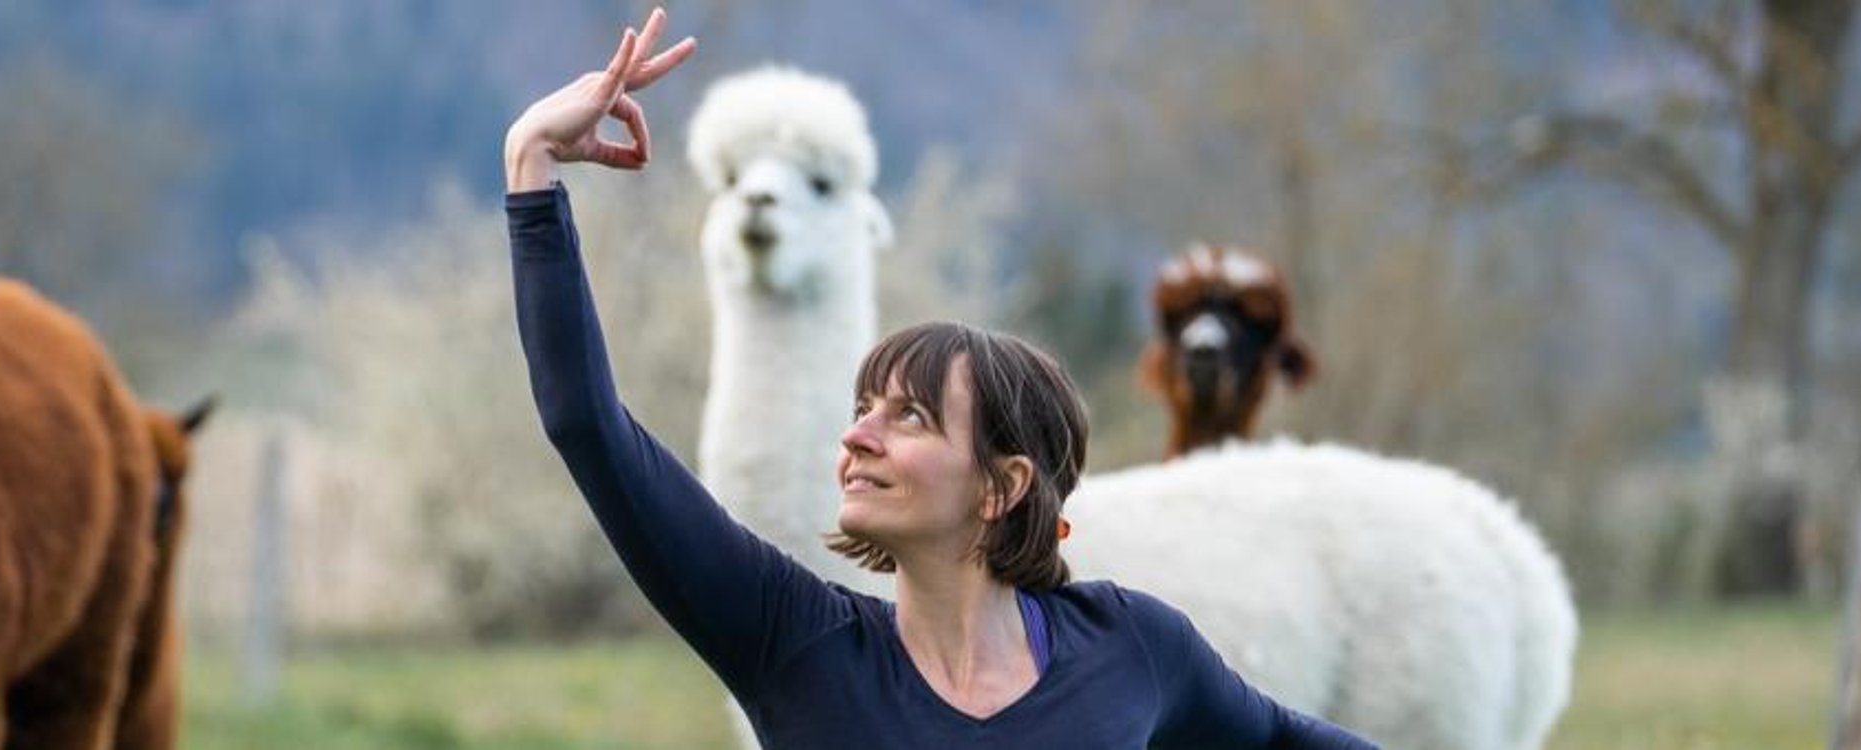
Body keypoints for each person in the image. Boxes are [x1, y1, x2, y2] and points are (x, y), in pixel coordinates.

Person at [502, 9, 1376, 748]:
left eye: (910, 416)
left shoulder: (1132, 646)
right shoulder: (791, 643)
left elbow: (1280, 741)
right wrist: (531, 164)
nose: (856, 436)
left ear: (1002, 484)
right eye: (862, 408)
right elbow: (587, 425)